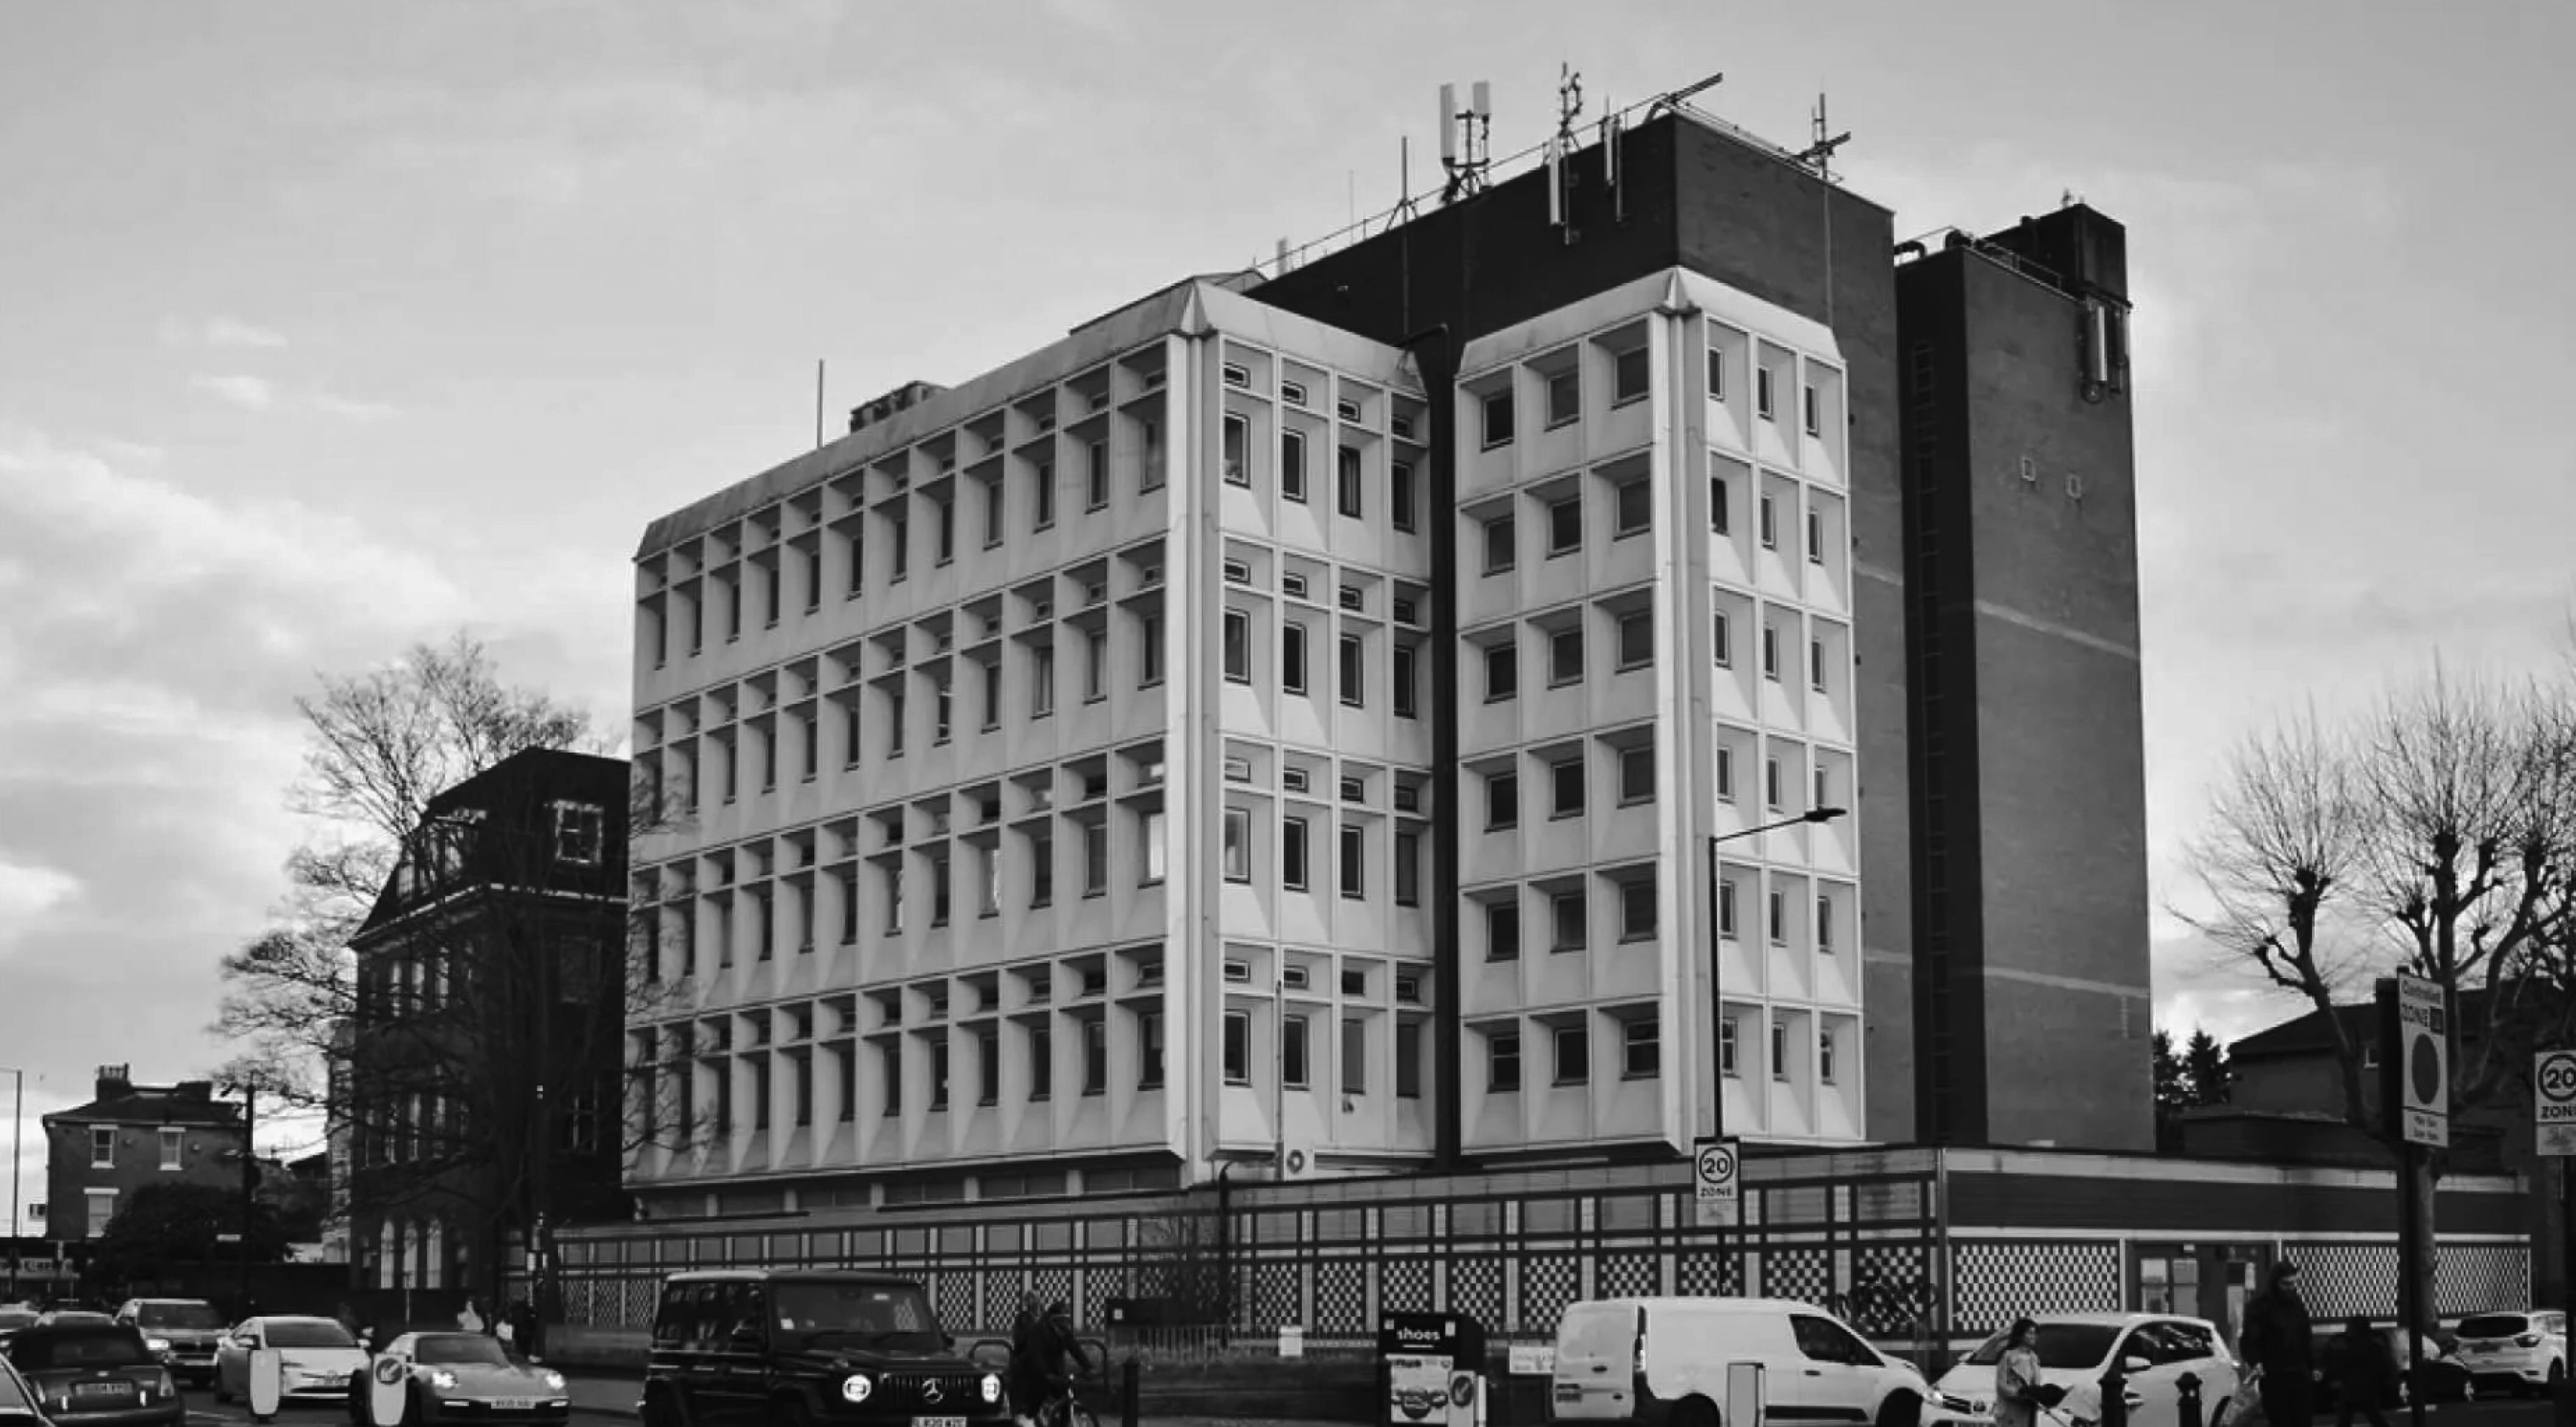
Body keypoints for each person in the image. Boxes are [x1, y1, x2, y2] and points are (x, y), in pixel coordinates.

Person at [2241, 1261, 2315, 1427]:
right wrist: (2256, 1362)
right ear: (2275, 1283)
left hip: (2299, 1373)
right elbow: (2251, 1339)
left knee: (2303, 1420)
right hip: (2275, 1375)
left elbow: (2305, 1335)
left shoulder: (2296, 1304)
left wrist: (2311, 1366)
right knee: (2281, 1421)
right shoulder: (2260, 1307)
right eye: (2286, 1284)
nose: (2291, 1288)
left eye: (2294, 1283)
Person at [1010, 1300, 1093, 1427]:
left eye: (1066, 1320)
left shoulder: (1064, 1331)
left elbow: (1075, 1348)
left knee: (1068, 1392)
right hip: (1032, 1372)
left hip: (1054, 1371)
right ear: (1053, 1320)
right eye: (1062, 1320)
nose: (1065, 1323)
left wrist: (1088, 1367)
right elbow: (1035, 1355)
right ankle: (1030, 1417)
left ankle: (1063, 1422)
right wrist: (1046, 1374)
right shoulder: (1039, 1331)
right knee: (1039, 1391)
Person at [2325, 1317, 2398, 1427]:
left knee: (2349, 1417)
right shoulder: (2373, 1346)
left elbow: (2343, 1363)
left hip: (2355, 1389)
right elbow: (2383, 1366)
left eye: (2349, 1328)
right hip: (2365, 1388)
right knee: (2371, 1415)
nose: (2347, 1330)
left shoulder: (2352, 1347)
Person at [1994, 1318, 2045, 1427]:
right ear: (2021, 1335)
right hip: (2011, 1409)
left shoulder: (2034, 1358)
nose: (2033, 1336)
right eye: (2030, 1333)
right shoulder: (2008, 1356)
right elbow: (2001, 1385)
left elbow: (2036, 1384)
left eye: (2035, 1333)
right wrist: (2020, 1394)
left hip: (2028, 1409)